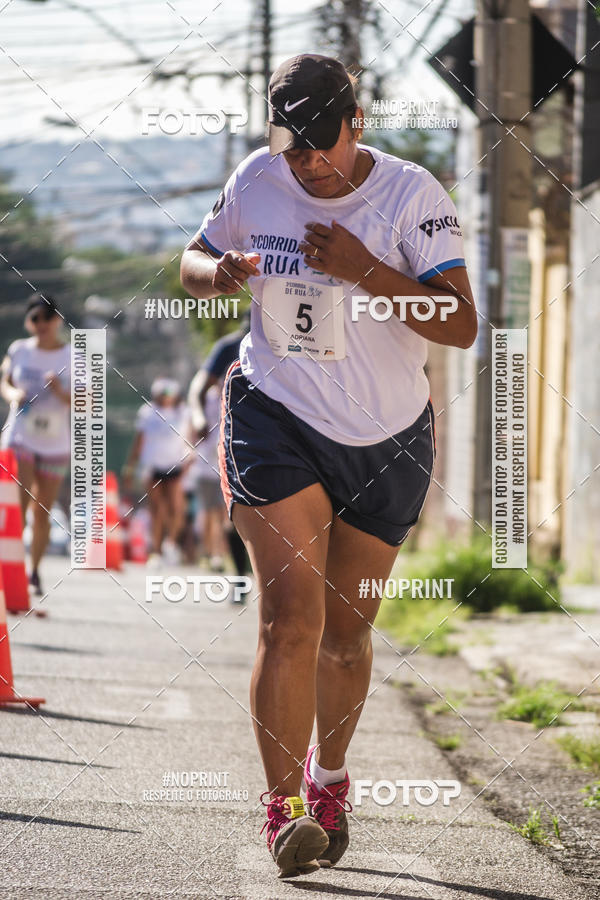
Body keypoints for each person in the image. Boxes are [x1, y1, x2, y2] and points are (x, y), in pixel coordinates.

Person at [181, 54, 477, 879]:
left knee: (346, 639)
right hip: (276, 415)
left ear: (357, 122)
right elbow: (192, 260)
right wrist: (219, 273)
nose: (308, 161)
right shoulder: (258, 178)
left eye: (323, 142)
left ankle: (330, 778)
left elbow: (459, 323)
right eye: (293, 143)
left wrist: (366, 271)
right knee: (290, 621)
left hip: (387, 437)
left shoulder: (412, 196)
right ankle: (283, 810)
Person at [0, 293, 71, 598]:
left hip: (55, 443)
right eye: (35, 318)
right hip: (21, 437)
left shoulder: (73, 356)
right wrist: (12, 395)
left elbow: (88, 401)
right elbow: (5, 381)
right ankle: (9, 570)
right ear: (29, 323)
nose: (41, 323)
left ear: (57, 320)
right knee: (18, 505)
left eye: (47, 317)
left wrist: (60, 392)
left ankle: (34, 571)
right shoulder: (19, 349)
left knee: (41, 513)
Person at [187, 310, 251, 579]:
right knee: (234, 512)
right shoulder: (229, 347)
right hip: (236, 440)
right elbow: (198, 388)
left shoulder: (288, 343)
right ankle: (240, 576)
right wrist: (198, 416)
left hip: (281, 438)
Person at [123, 378, 191, 566]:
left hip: (175, 465)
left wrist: (189, 457)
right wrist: (130, 467)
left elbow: (189, 437)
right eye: (163, 394)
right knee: (156, 509)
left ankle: (171, 543)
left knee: (176, 508)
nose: (166, 397)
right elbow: (139, 441)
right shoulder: (147, 412)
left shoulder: (183, 412)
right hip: (153, 466)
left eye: (169, 394)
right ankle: (157, 551)